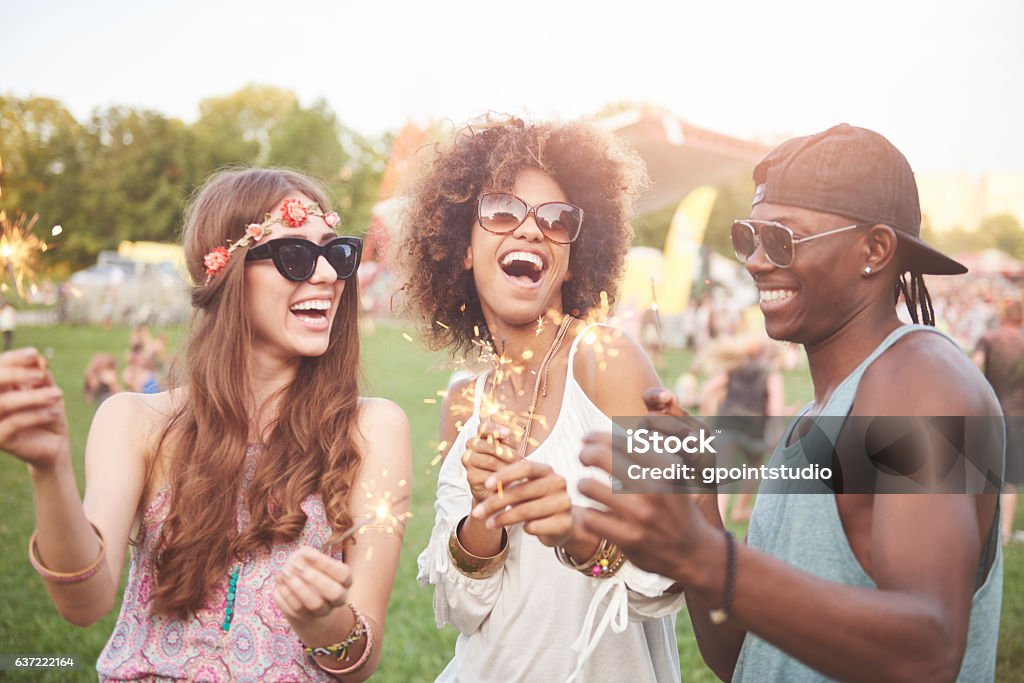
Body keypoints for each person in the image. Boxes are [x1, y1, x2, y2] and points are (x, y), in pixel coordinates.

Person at [574, 124, 1004, 681]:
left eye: (782, 239)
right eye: (747, 237)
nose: (754, 261)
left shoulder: (923, 384)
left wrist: (706, 557)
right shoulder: (810, 422)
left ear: (874, 249)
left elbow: (929, 649)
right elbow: (738, 657)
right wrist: (702, 505)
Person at [0, 168, 411, 681]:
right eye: (296, 256)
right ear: (225, 272)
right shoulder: (136, 421)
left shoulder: (372, 430)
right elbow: (83, 604)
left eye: (336, 253)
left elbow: (359, 664)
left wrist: (326, 622)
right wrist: (49, 468)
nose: (328, 275)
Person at [403, 117, 684, 683]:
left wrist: (578, 534)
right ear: (462, 247)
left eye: (556, 220)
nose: (531, 231)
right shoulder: (463, 402)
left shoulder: (604, 359)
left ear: (575, 258)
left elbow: (670, 573)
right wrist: (485, 510)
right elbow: (461, 611)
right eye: (503, 212)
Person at [700, 335, 787, 522]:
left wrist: (706, 415)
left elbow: (708, 389)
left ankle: (719, 518)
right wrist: (776, 429)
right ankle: (740, 509)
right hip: (753, 429)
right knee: (755, 467)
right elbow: (775, 407)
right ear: (765, 353)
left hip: (727, 423)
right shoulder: (770, 373)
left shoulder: (733, 368)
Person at [974, 298, 1024, 544]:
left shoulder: (989, 338)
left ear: (1003, 315)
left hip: (990, 410)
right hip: (1019, 414)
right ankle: (1004, 532)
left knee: (985, 471)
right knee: (1011, 476)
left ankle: (980, 528)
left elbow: (975, 367)